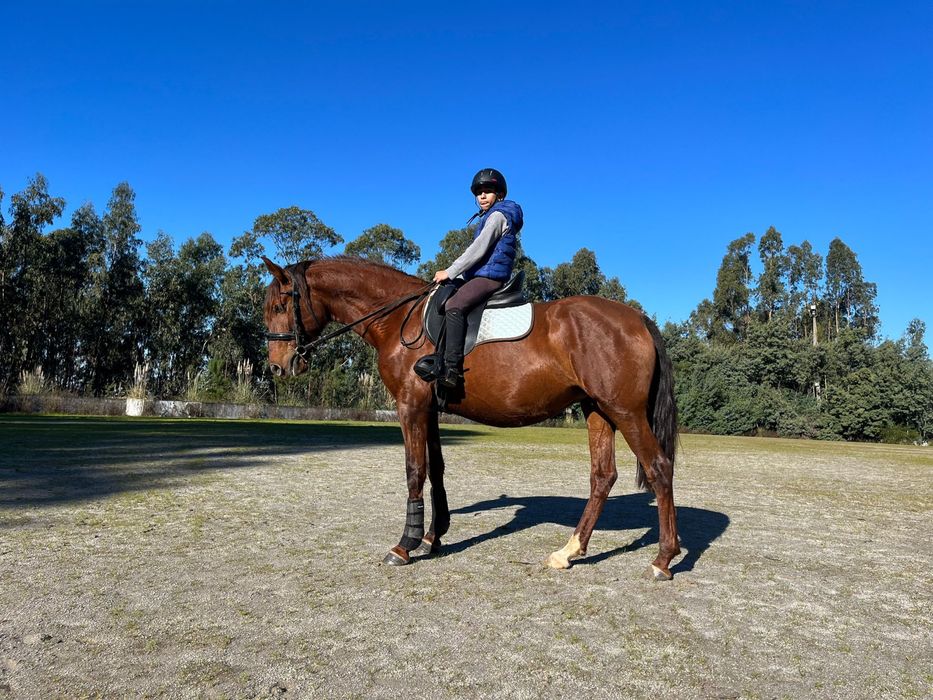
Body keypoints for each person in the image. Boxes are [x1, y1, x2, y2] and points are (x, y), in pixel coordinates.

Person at [432, 168, 524, 389]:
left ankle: (452, 369)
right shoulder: (491, 215)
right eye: (479, 192)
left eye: (488, 191)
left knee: (455, 304)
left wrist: (450, 271)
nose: (482, 196)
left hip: (491, 278)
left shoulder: (498, 216)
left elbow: (478, 250)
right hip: (481, 275)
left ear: (499, 194)